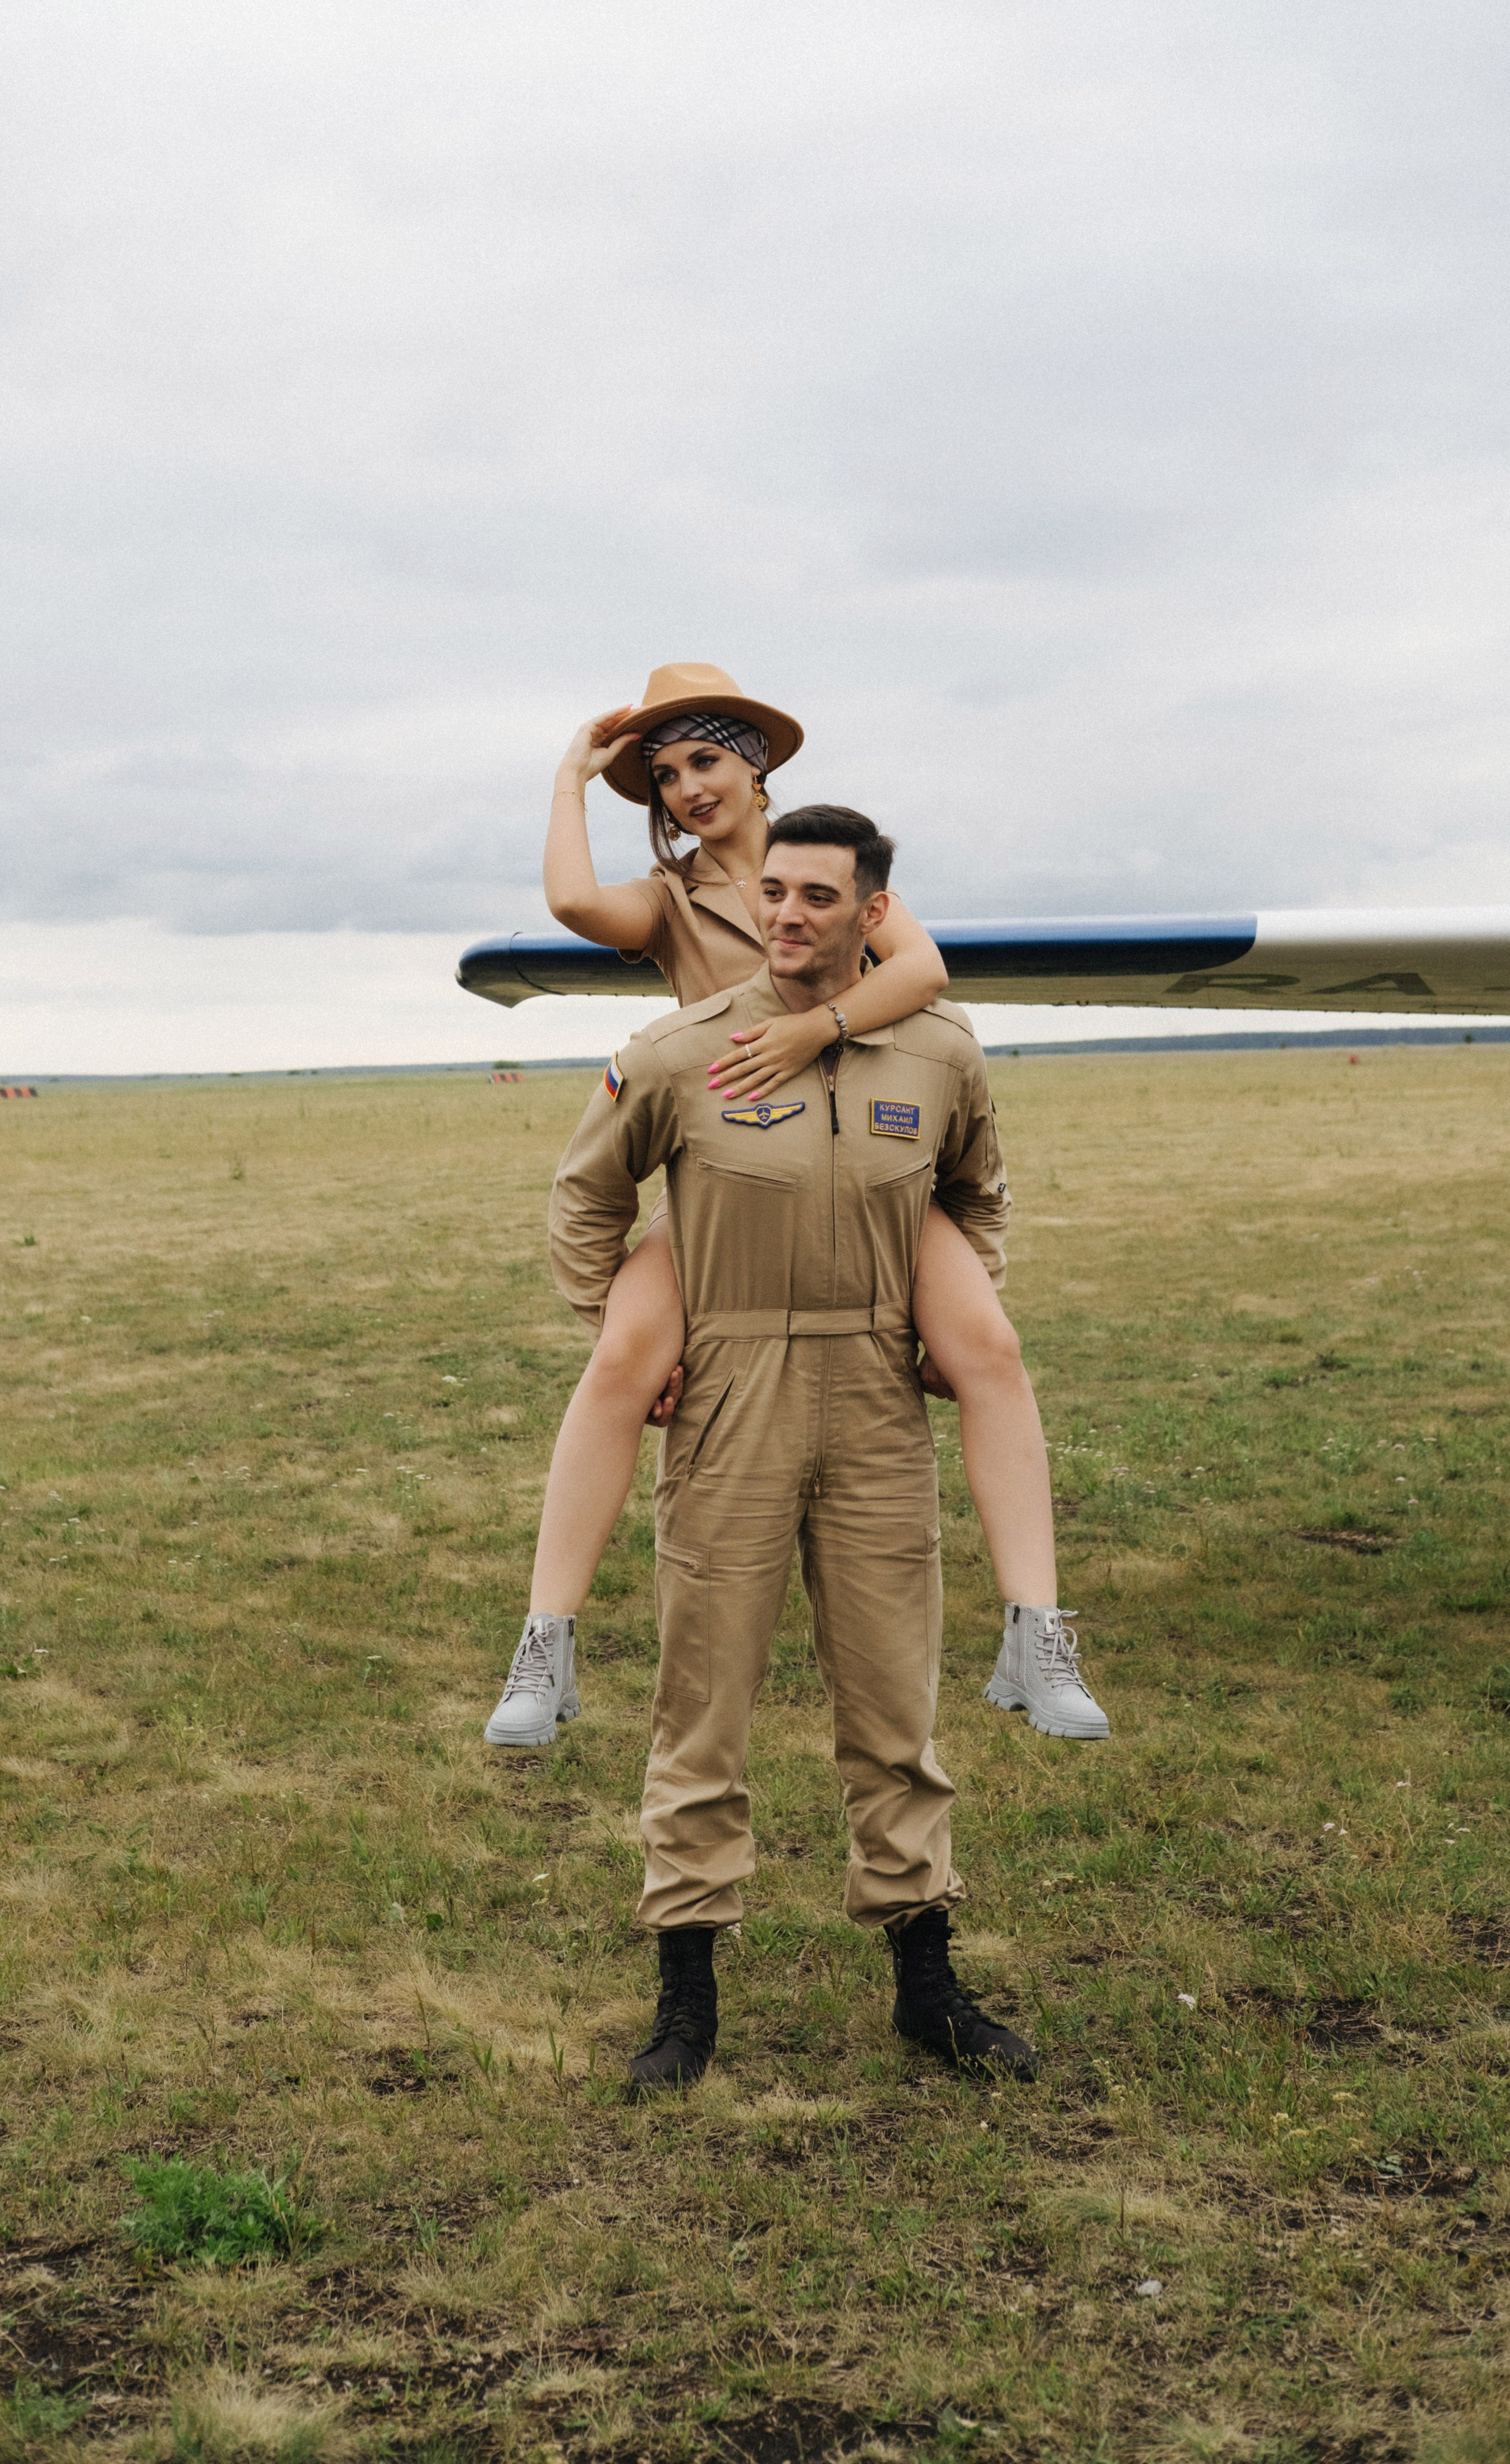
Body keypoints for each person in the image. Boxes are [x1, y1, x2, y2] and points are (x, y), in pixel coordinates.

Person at [485, 663, 1106, 1749]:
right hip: (736, 1175)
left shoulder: (823, 865)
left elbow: (922, 968)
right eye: (665, 775)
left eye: (705, 760)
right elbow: (576, 903)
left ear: (757, 762)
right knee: (622, 1362)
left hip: (868, 1160)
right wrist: (571, 783)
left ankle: (1037, 1634)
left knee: (991, 1352)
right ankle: (545, 1645)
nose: (685, 789)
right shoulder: (672, 901)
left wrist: (815, 1032)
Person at [549, 804, 1039, 2087]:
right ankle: (686, 1999)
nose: (787, 915)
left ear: (872, 912)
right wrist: (624, 1332)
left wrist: (952, 1315)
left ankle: (926, 1988)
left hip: (877, 1398)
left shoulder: (939, 1054)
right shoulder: (678, 1051)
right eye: (774, 893)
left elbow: (978, 1191)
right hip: (733, 1399)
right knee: (699, 1711)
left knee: (895, 1710)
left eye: (819, 897)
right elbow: (587, 1189)